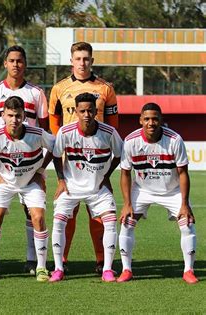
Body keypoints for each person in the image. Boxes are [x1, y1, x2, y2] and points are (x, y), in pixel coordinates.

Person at [48, 41, 118, 273]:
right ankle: (63, 261)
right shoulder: (58, 89)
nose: (82, 63)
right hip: (70, 155)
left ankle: (101, 261)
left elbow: (113, 124)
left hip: (97, 156)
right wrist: (63, 141)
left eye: (86, 58)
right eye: (78, 59)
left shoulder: (105, 89)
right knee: (68, 211)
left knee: (98, 212)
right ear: (71, 61)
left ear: (92, 61)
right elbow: (53, 121)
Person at [0, 45, 49, 274]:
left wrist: (41, 170)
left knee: (32, 212)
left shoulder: (36, 93)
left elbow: (45, 129)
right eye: (11, 61)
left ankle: (33, 260)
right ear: (5, 64)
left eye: (20, 61)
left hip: (29, 163)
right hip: (1, 163)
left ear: (25, 64)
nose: (16, 65)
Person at [0, 96, 55, 282]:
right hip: (5, 182)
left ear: (24, 116)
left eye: (18, 116)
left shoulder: (37, 134)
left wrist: (41, 170)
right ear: (3, 115)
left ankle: (41, 267)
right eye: (10, 115)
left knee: (38, 216)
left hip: (30, 182)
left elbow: (55, 147)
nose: (14, 120)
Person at [118, 103, 198, 284]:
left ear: (161, 120)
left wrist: (184, 204)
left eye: (155, 119)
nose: (151, 123)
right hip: (142, 189)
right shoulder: (130, 141)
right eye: (146, 119)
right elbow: (125, 173)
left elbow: (183, 173)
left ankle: (188, 270)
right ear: (140, 120)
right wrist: (127, 204)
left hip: (172, 190)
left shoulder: (174, 140)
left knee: (187, 224)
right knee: (127, 222)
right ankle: (126, 269)